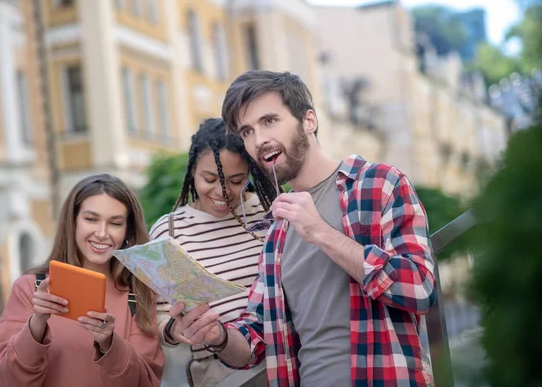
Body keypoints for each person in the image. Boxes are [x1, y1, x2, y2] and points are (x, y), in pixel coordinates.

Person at [170, 71, 438, 386]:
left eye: (269, 121)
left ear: (308, 120)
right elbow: (258, 336)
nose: (259, 140)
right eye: (247, 131)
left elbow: (419, 287)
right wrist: (217, 336)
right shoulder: (277, 231)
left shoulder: (379, 184)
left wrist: (320, 232)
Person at [0, 174, 164, 387]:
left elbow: (146, 382)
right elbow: (7, 379)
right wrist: (37, 323)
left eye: (115, 223)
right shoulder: (30, 287)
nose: (102, 233)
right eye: (91, 219)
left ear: (127, 230)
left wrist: (110, 344)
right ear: (72, 222)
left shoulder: (139, 293)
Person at [149, 117, 277, 386]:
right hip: (220, 372)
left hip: (284, 358)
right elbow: (156, 314)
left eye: (236, 180)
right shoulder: (169, 231)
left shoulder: (271, 211)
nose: (222, 192)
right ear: (192, 170)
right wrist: (176, 329)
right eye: (209, 178)